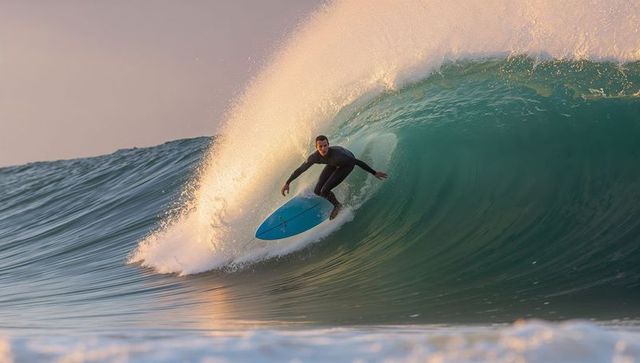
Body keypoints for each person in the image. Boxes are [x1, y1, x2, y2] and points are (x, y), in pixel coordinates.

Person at [281, 135, 388, 220]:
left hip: (347, 164)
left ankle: (337, 205)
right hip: (332, 163)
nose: (323, 148)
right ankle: (330, 198)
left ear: (328, 144)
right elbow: (301, 169)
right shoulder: (314, 157)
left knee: (324, 190)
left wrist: (374, 172)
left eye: (325, 145)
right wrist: (287, 182)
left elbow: (357, 162)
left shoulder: (339, 157)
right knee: (317, 191)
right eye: (320, 146)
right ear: (316, 147)